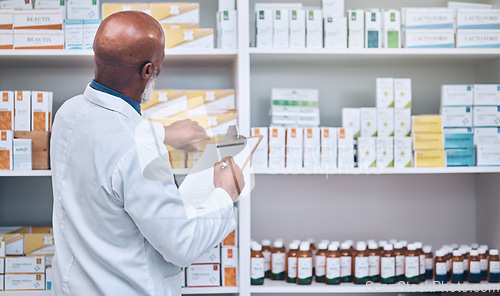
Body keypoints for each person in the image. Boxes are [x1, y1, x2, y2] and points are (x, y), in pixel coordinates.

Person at [50, 11, 244, 296]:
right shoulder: (140, 149)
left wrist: (163, 133)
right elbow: (182, 245)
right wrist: (226, 194)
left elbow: (107, 141)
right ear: (148, 70)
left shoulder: (68, 112)